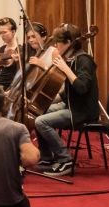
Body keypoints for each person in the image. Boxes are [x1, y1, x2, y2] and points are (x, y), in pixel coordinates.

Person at [30, 24, 97, 176]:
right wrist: (44, 102)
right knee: (37, 113)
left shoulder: (84, 60)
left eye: (58, 42)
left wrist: (65, 69)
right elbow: (67, 93)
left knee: (42, 122)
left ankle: (65, 159)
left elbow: (82, 88)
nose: (55, 46)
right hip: (72, 105)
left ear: (68, 43)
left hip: (82, 111)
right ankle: (47, 157)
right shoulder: (71, 59)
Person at [0, 17, 21, 88]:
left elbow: (21, 74)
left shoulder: (20, 49)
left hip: (12, 88)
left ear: (13, 31)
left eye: (5, 32)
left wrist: (18, 62)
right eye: (0, 33)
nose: (2, 35)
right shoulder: (1, 49)